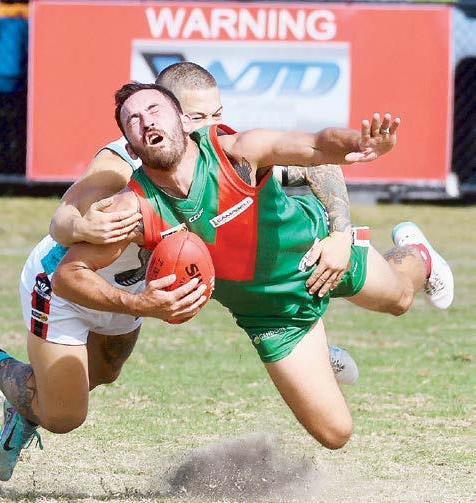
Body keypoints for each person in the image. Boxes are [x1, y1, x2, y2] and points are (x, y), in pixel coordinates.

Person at [48, 82, 453, 451]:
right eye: (133, 120)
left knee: (401, 298)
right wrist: (140, 305)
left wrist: (359, 145)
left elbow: (317, 145)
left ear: (183, 121)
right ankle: (319, 354)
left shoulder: (236, 151)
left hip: (320, 252)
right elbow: (67, 276)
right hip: (271, 315)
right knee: (336, 434)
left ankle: (419, 252)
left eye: (154, 109)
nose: (146, 121)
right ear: (132, 148)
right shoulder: (135, 208)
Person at [50, 62, 360, 379]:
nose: (211, 126)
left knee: (108, 370)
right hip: (84, 280)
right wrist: (80, 226)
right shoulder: (124, 162)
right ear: (171, 111)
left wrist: (340, 234)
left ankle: (315, 353)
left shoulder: (216, 150)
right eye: (199, 117)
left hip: (141, 284)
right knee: (90, 384)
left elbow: (316, 160)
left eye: (217, 114)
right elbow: (60, 220)